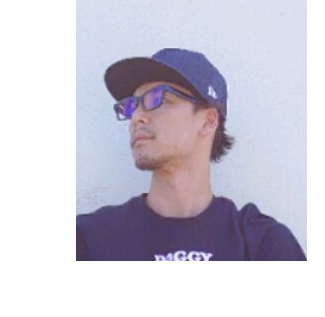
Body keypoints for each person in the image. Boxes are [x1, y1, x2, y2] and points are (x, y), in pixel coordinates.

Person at [76, 48, 306, 261]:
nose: (136, 117)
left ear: (208, 121)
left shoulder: (263, 245)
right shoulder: (90, 240)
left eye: (157, 99)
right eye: (131, 106)